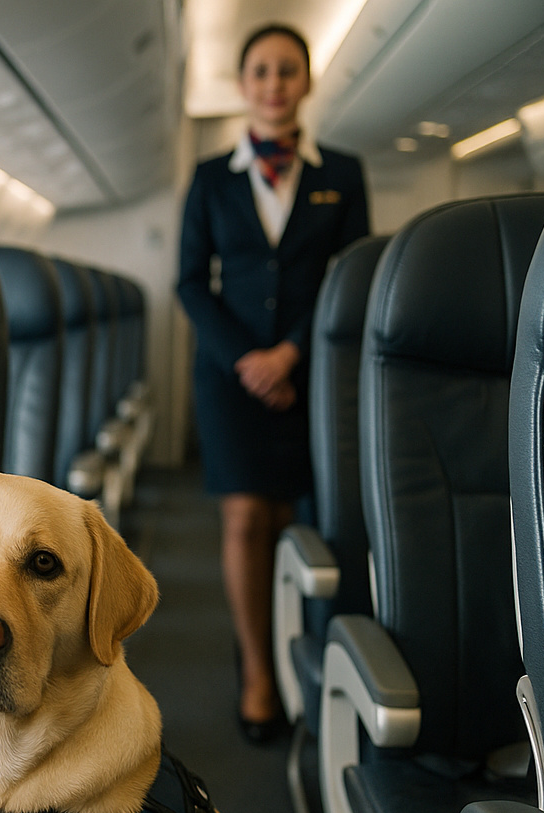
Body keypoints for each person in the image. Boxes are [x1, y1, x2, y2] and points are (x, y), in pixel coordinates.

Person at [176, 24, 369, 742]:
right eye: (261, 71)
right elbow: (192, 283)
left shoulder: (340, 173)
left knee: (294, 519)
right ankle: (258, 671)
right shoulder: (211, 177)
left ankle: (290, 641)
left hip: (309, 369)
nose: (275, 83)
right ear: (244, 84)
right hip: (231, 378)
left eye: (288, 70)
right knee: (243, 517)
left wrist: (290, 353)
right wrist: (248, 361)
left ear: (306, 82)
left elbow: (348, 276)